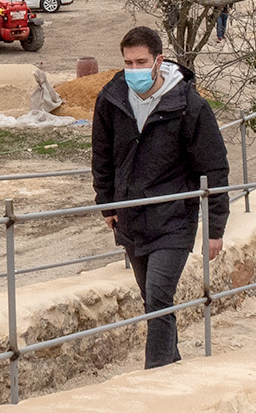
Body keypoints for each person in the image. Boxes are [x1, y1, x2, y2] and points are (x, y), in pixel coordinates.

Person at [91, 26, 230, 368]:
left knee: (158, 297)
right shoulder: (111, 100)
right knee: (152, 300)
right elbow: (102, 155)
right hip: (131, 217)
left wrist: (214, 228)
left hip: (174, 220)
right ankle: (175, 364)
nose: (134, 69)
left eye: (141, 62)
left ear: (159, 61)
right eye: (128, 62)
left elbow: (214, 167)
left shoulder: (189, 106)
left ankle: (155, 377)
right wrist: (106, 202)